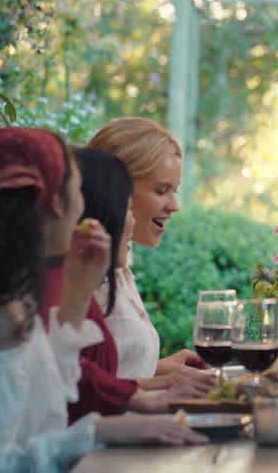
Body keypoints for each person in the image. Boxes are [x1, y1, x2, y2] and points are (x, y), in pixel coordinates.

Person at [0, 127, 204, 473]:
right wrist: (97, 431)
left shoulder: (2, 296)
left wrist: (78, 293)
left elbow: (45, 401)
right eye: (78, 191)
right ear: (53, 204)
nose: (88, 206)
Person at [47, 147, 205, 421]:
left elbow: (78, 376)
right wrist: (146, 393)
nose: (174, 205)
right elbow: (63, 393)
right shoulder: (65, 288)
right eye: (161, 190)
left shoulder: (94, 277)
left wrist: (158, 375)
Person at [86, 117, 214, 391]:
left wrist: (158, 367)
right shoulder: (85, 267)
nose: (174, 206)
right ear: (117, 188)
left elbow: (106, 370)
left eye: (174, 191)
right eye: (161, 190)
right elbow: (77, 389)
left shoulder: (121, 259)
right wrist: (165, 382)